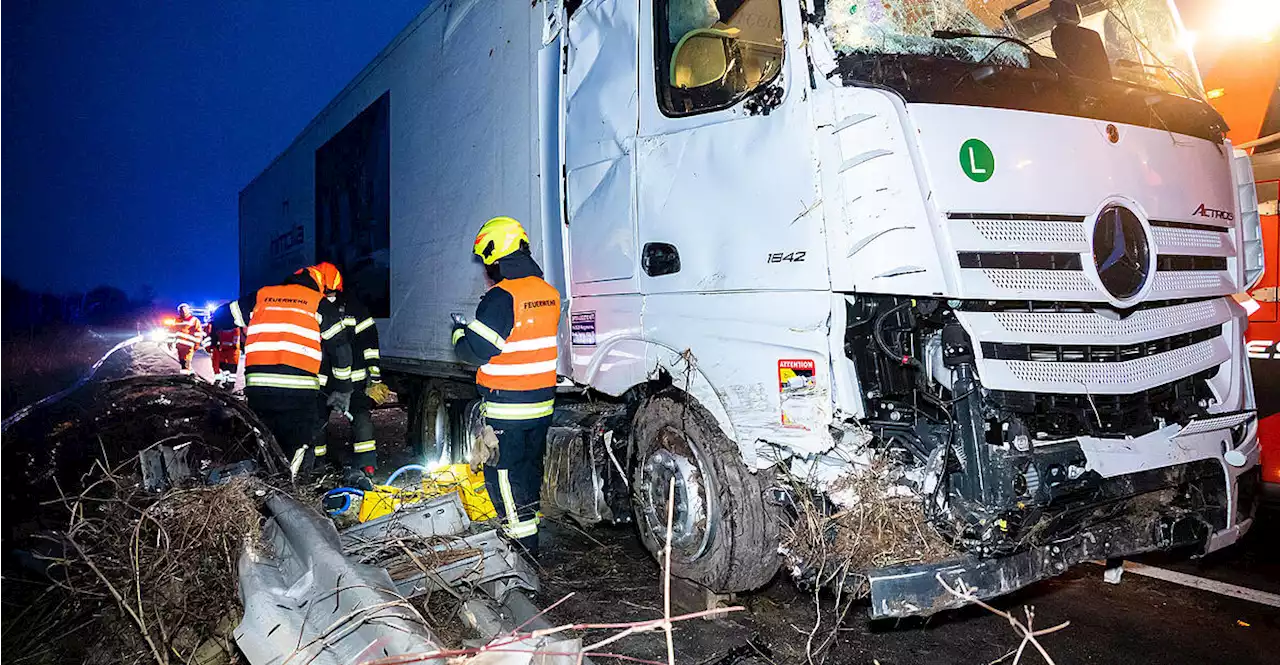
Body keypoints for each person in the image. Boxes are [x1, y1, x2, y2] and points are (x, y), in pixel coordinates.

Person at [452, 216, 561, 556]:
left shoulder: (502, 297)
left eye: (489, 261)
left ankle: (521, 552)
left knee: (503, 477)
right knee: (528, 473)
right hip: (541, 406)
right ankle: (528, 533)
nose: (488, 269)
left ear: (495, 255)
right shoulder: (548, 293)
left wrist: (458, 332)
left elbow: (474, 351)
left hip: (507, 408)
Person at [226, 263, 353, 478]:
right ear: (322, 284)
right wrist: (343, 389)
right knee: (299, 446)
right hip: (299, 393)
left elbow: (222, 317)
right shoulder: (318, 303)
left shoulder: (262, 296)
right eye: (330, 291)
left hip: (260, 390)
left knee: (265, 443)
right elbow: (340, 348)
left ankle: (262, 489)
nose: (331, 296)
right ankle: (292, 494)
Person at [314, 287, 390, 485]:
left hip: (324, 382)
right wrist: (374, 378)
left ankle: (316, 465)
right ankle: (367, 465)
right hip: (354, 382)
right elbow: (371, 346)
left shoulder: (316, 308)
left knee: (318, 421)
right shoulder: (357, 309)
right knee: (360, 418)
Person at [205, 301, 244, 390]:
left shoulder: (234, 324)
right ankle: (227, 382)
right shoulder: (218, 324)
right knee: (224, 366)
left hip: (232, 349)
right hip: (223, 349)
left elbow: (237, 336)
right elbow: (212, 336)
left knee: (231, 367)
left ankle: (230, 383)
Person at [170, 303, 203, 375]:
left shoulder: (194, 320)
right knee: (182, 361)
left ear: (188, 310)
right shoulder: (176, 320)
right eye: (181, 310)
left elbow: (198, 332)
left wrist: (197, 343)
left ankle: (186, 376)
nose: (183, 312)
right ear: (179, 311)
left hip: (189, 345)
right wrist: (170, 342)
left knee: (186, 361)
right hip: (180, 345)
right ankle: (188, 374)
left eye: (185, 310)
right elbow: (172, 332)